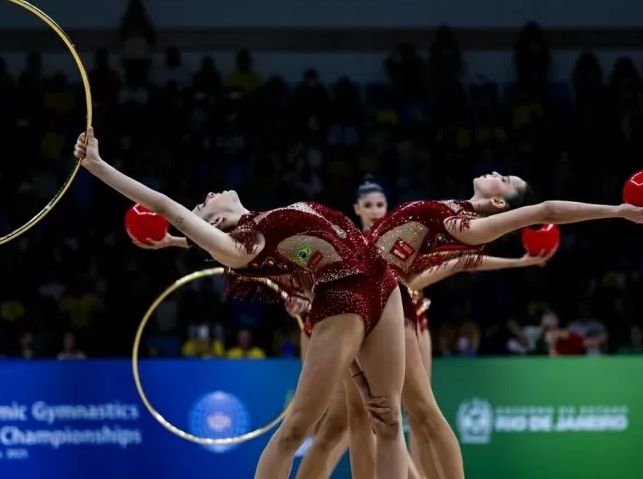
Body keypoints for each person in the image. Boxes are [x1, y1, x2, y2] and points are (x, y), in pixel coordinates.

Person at [73, 129, 414, 479]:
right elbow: (161, 204)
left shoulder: (261, 223)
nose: (207, 195)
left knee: (387, 420)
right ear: (215, 223)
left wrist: (173, 241)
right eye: (202, 206)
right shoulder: (242, 249)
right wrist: (97, 165)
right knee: (295, 430)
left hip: (383, 283)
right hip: (342, 301)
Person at [365, 171, 643, 479]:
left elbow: (547, 210)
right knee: (384, 419)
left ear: (498, 201)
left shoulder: (471, 227)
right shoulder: (457, 213)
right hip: (370, 301)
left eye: (505, 179)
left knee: (420, 416)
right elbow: (439, 268)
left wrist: (617, 211)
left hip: (386, 310)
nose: (496, 172)